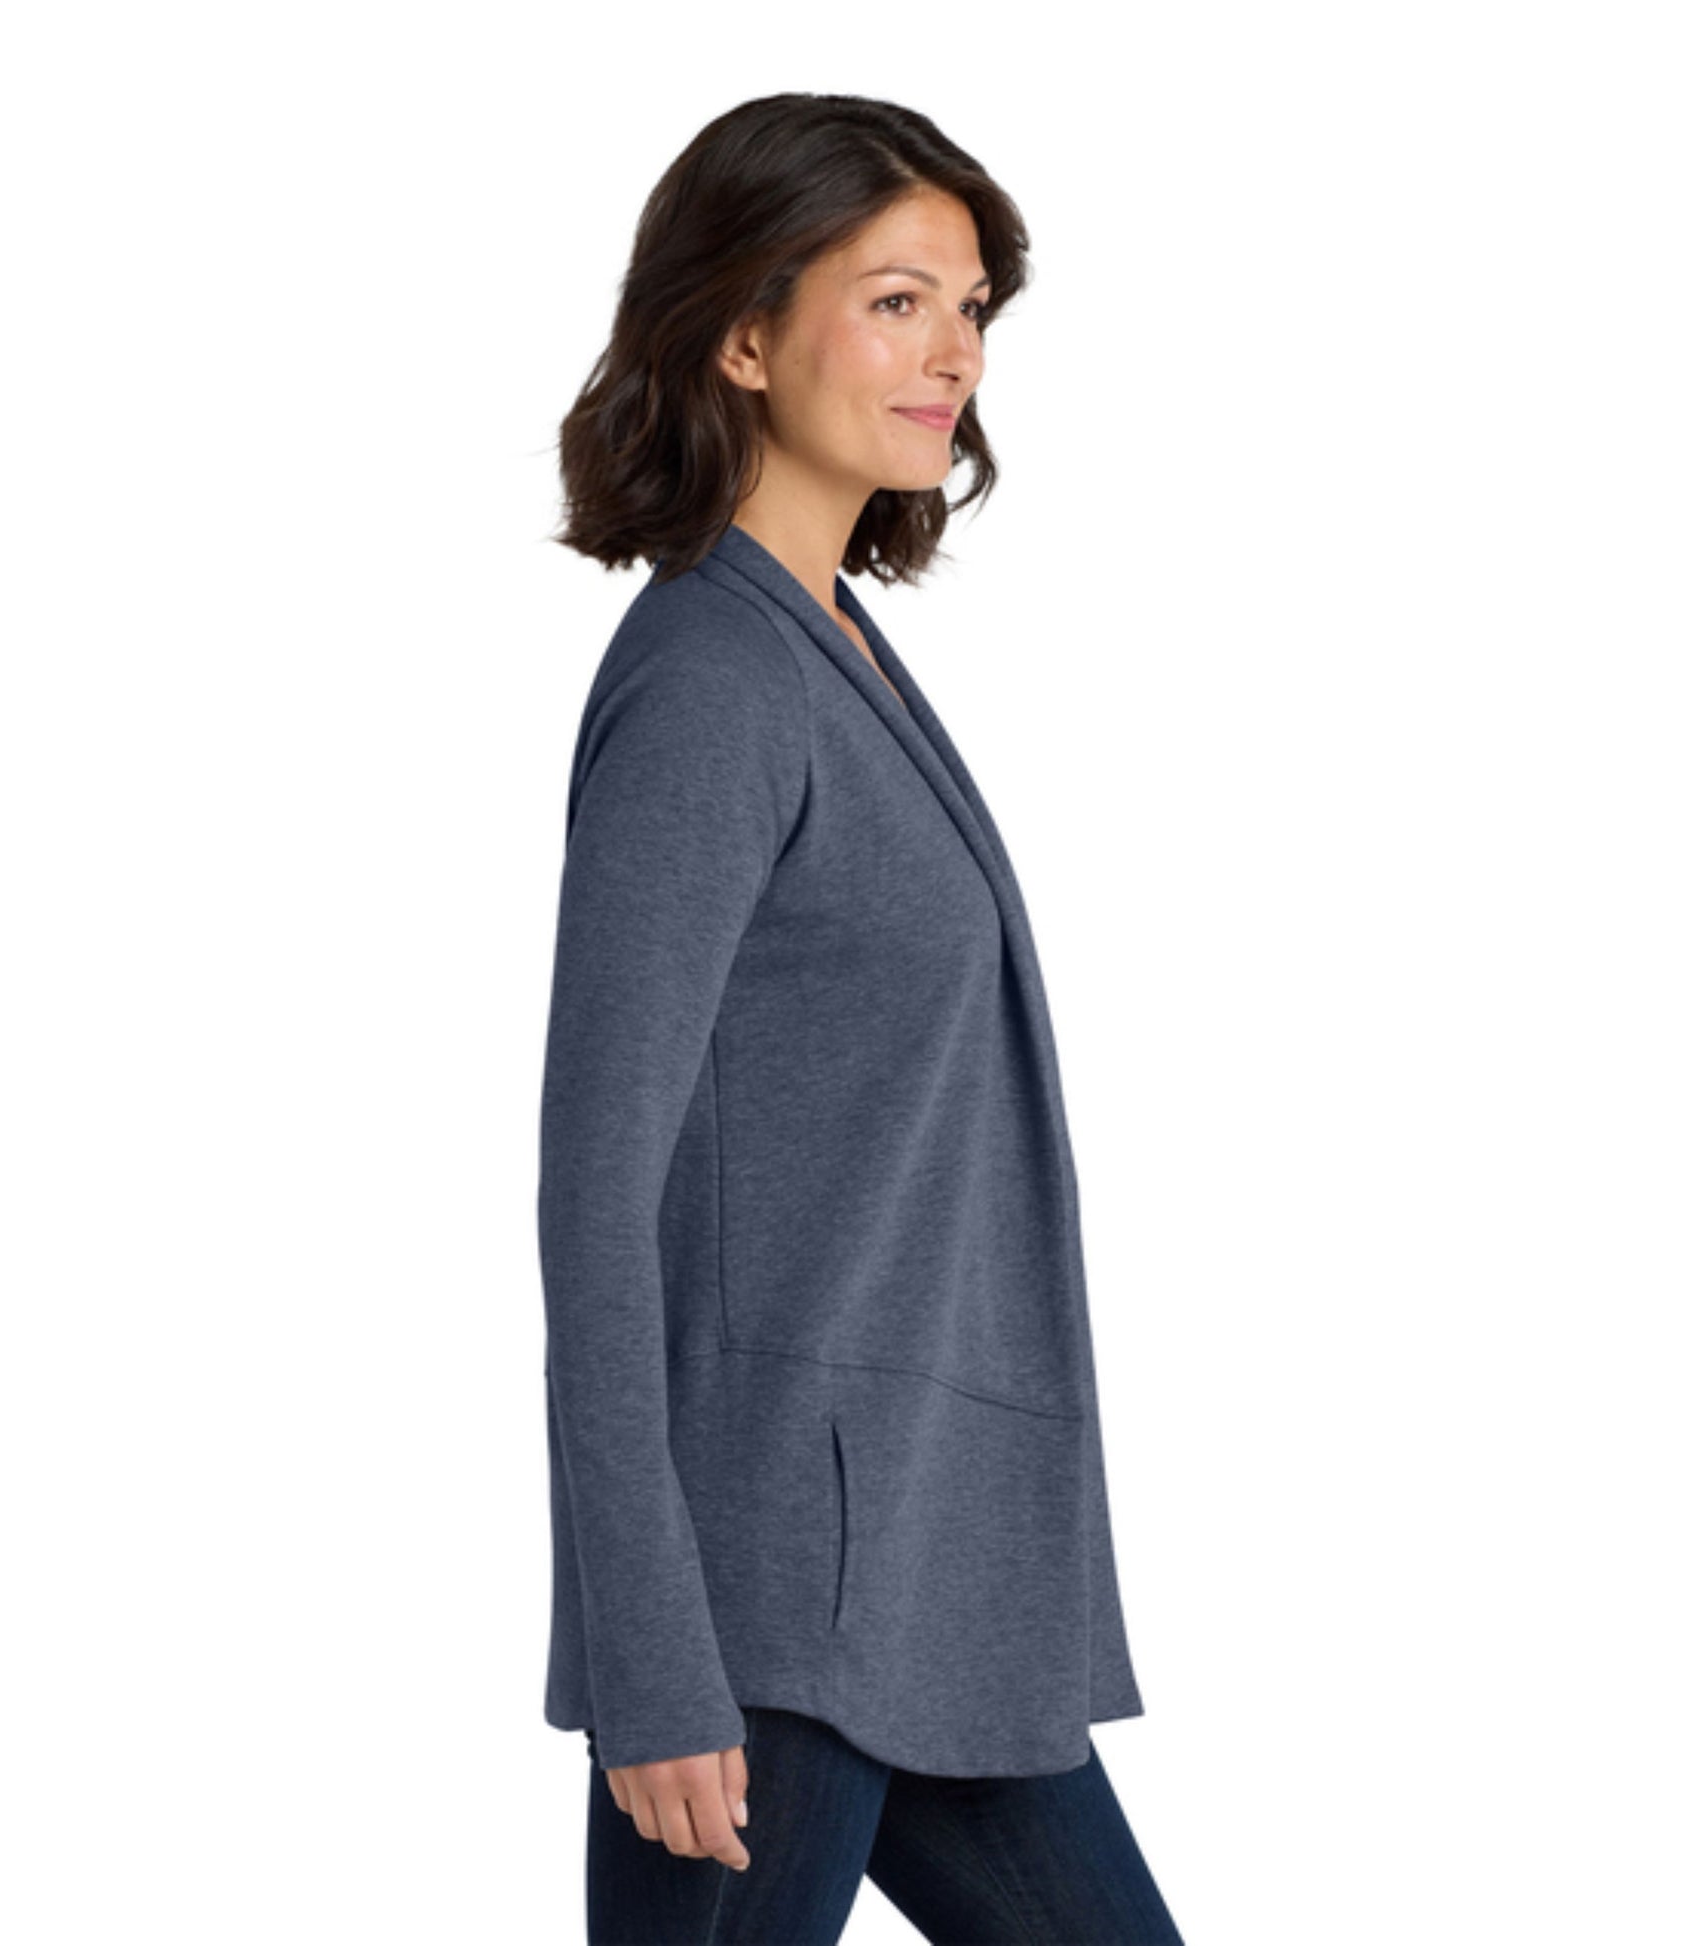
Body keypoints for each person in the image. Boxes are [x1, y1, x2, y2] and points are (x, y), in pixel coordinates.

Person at [538, 92, 1187, 1943]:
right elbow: (595, 1191)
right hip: (768, 1594)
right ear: (742, 336)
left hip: (929, 1568)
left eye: (969, 308)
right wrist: (652, 1653)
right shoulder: (715, 683)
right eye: (896, 301)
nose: (953, 354)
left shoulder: (831, 646)